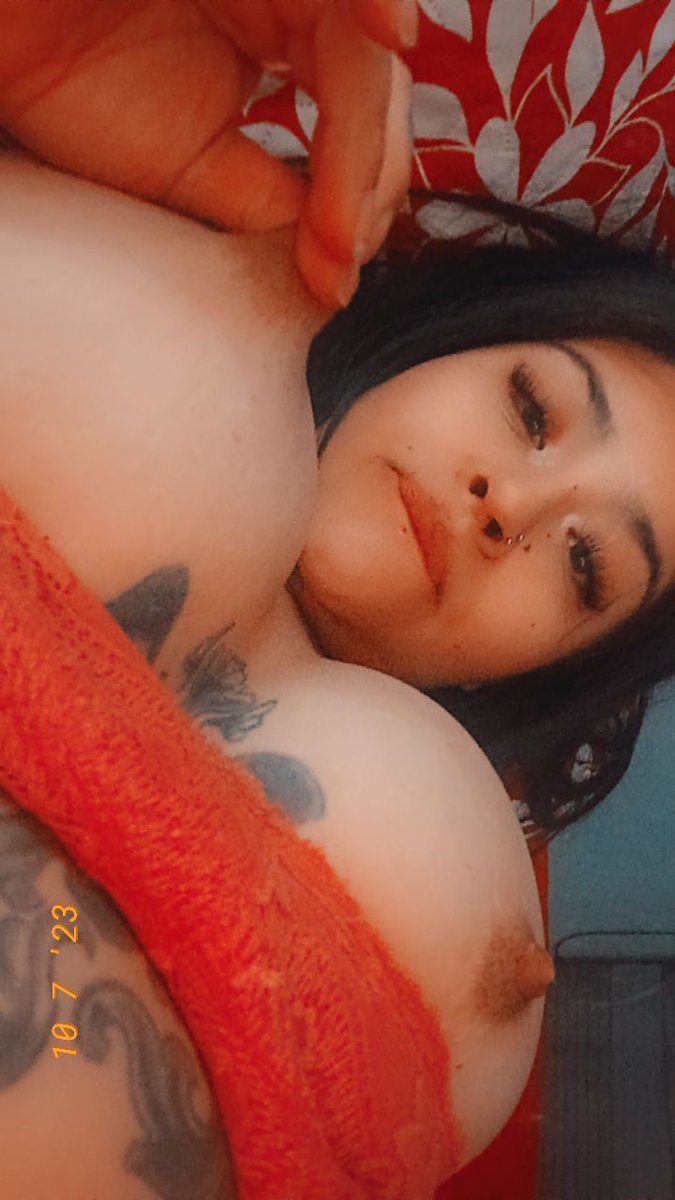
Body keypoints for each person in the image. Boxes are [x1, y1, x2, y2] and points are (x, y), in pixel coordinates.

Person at [1, 6, 675, 1197]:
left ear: (548, 669)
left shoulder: (438, 834)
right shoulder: (137, 199)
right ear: (452, 337)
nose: (510, 506)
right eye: (532, 408)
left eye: (585, 569)